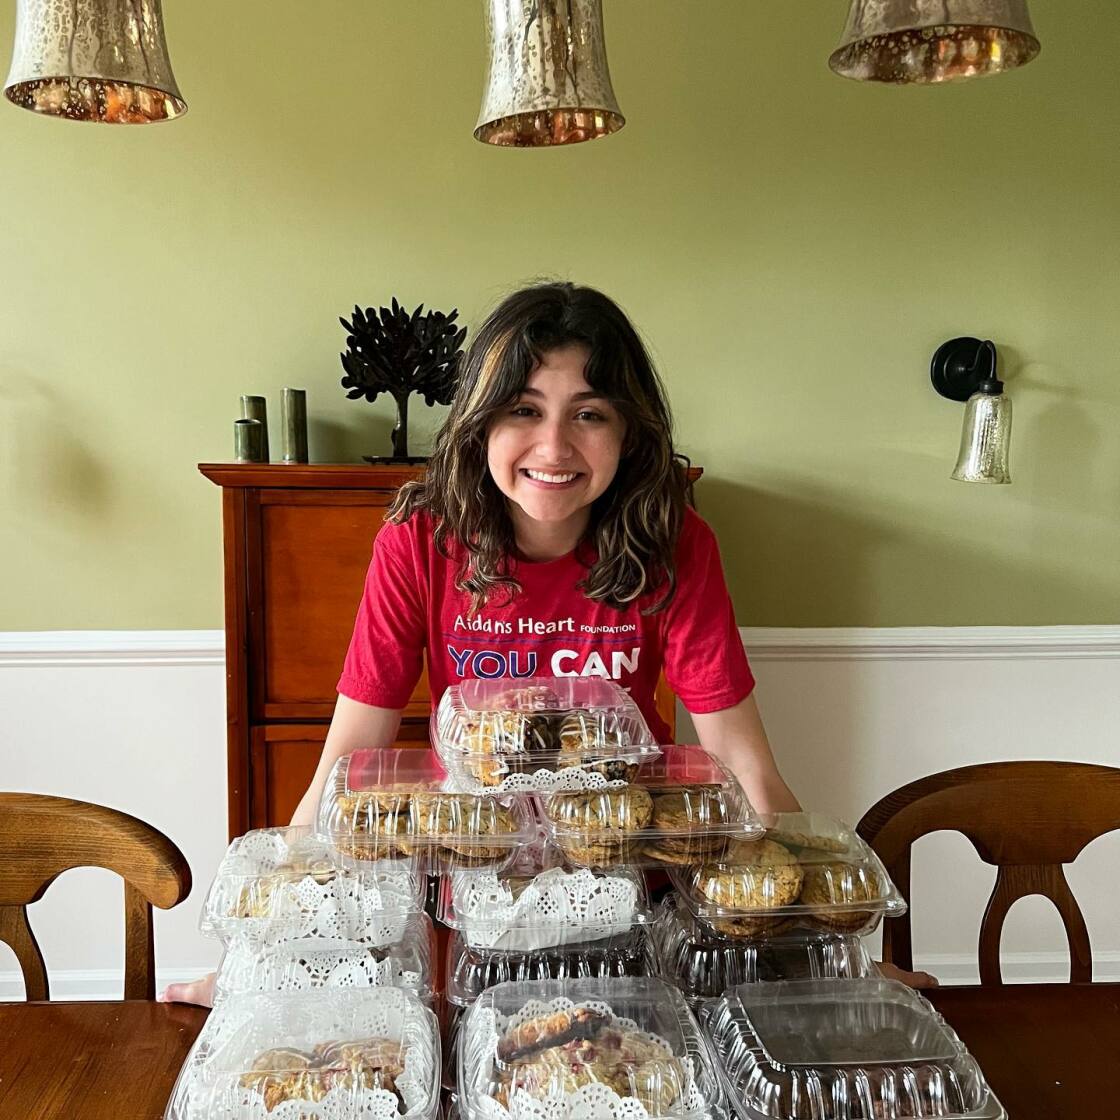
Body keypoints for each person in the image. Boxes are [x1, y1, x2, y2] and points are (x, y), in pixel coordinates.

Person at [161, 282, 934, 1004]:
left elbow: (745, 765)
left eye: (589, 413)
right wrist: (252, 957)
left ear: (629, 431)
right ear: (481, 420)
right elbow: (348, 762)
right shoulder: (421, 540)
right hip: (474, 892)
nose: (555, 446)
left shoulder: (676, 545)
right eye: (524, 410)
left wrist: (843, 959)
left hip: (631, 890)